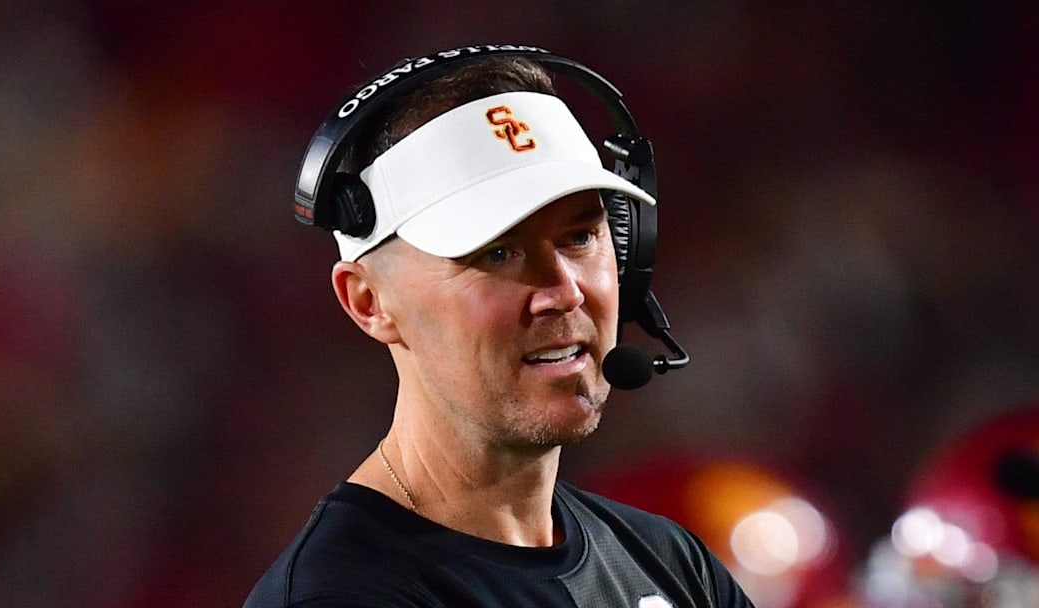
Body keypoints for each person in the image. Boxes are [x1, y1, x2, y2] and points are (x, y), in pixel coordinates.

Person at [244, 47, 754, 608]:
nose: (563, 292)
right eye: (498, 253)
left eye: (580, 237)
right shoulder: (342, 596)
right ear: (369, 302)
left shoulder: (671, 564)